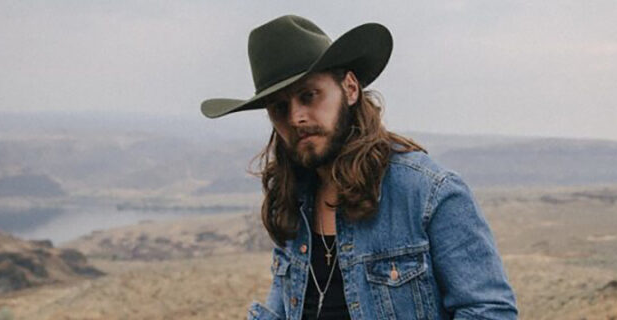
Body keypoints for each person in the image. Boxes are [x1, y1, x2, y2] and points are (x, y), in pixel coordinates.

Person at [201, 15, 518, 320]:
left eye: (309, 96)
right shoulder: (295, 199)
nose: (296, 117)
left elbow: (490, 310)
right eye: (280, 108)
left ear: (350, 89)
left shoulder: (428, 193)